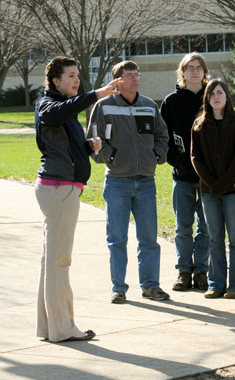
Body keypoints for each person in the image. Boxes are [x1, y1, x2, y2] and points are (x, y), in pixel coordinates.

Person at [35, 56, 118, 342]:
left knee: (52, 262)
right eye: (70, 75)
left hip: (61, 188)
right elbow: (53, 115)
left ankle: (50, 327)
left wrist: (87, 146)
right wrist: (96, 95)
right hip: (59, 190)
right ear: (55, 81)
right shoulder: (49, 105)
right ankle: (64, 328)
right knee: (59, 262)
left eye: (77, 75)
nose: (76, 79)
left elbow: (62, 145)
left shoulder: (62, 108)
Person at [88, 60, 170, 304]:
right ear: (117, 80)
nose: (136, 79)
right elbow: (93, 137)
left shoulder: (148, 106)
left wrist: (156, 155)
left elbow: (161, 134)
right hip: (117, 182)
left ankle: (151, 286)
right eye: (130, 75)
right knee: (117, 239)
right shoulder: (103, 107)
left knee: (149, 239)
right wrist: (110, 157)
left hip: (146, 181)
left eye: (137, 75)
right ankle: (119, 288)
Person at [191, 79, 235, 298]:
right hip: (209, 192)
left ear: (227, 96)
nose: (216, 97)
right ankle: (215, 283)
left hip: (234, 190)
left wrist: (223, 183)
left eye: (220, 93)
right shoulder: (199, 125)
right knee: (214, 238)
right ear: (207, 98)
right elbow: (195, 156)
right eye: (211, 94)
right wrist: (212, 184)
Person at [160, 53, 210, 291]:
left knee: (207, 227)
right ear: (183, 72)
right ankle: (183, 271)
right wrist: (176, 160)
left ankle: (201, 270)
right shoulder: (171, 102)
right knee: (183, 227)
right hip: (182, 176)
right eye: (190, 68)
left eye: (198, 68)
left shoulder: (213, 97)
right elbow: (163, 137)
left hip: (209, 177)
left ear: (204, 72)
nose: (194, 72)